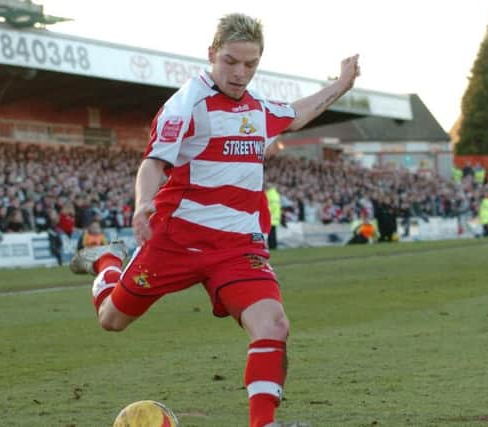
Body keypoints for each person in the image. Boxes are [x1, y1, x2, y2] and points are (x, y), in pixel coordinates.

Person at [70, 13, 360, 427]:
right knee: (112, 320)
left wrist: (341, 84)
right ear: (211, 54)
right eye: (231, 62)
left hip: (238, 247)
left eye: (250, 64)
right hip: (177, 241)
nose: (240, 73)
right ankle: (106, 260)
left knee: (273, 324)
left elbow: (295, 114)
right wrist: (142, 204)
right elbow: (153, 163)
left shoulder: (257, 108)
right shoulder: (186, 104)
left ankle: (264, 424)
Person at [265, 181, 282, 250]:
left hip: (270, 216)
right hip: (276, 217)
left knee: (270, 234)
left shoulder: (268, 194)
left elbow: (268, 207)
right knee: (274, 233)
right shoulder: (276, 194)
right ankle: (274, 246)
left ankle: (272, 246)